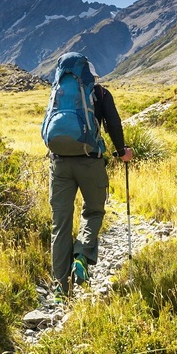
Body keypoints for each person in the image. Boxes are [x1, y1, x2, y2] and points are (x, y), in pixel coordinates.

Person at [48, 61, 133, 299]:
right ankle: (82, 256)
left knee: (60, 224)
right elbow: (114, 124)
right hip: (90, 161)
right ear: (92, 76)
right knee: (94, 211)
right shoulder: (101, 93)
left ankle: (60, 288)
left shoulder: (59, 92)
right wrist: (121, 151)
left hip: (59, 163)